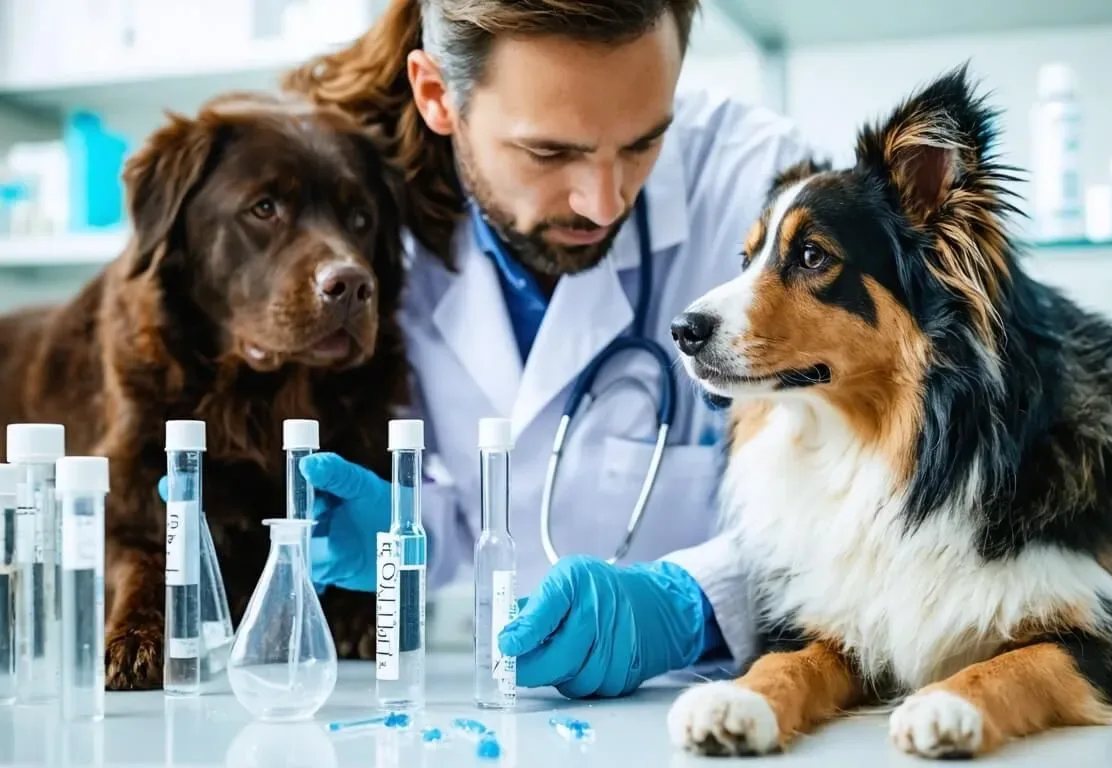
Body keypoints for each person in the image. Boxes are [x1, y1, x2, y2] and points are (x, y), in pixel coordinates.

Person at [277, 0, 815, 698]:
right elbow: (488, 513)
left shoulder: (764, 186)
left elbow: (866, 491)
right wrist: (410, 530)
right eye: (551, 152)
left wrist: (695, 603)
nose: (603, 202)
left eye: (642, 143)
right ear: (439, 96)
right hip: (512, 703)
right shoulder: (375, 239)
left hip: (729, 702)